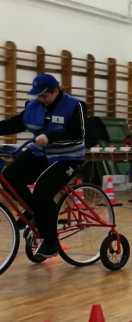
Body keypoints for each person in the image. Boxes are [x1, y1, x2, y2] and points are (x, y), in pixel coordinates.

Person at [0, 73, 86, 258]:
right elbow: (14, 124)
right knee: (9, 177)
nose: (41, 99)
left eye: (44, 96)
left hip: (68, 157)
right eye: (38, 95)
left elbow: (77, 134)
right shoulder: (34, 106)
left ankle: (50, 242)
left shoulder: (74, 105)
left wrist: (50, 137)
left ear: (55, 91)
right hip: (41, 153)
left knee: (42, 191)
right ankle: (36, 212)